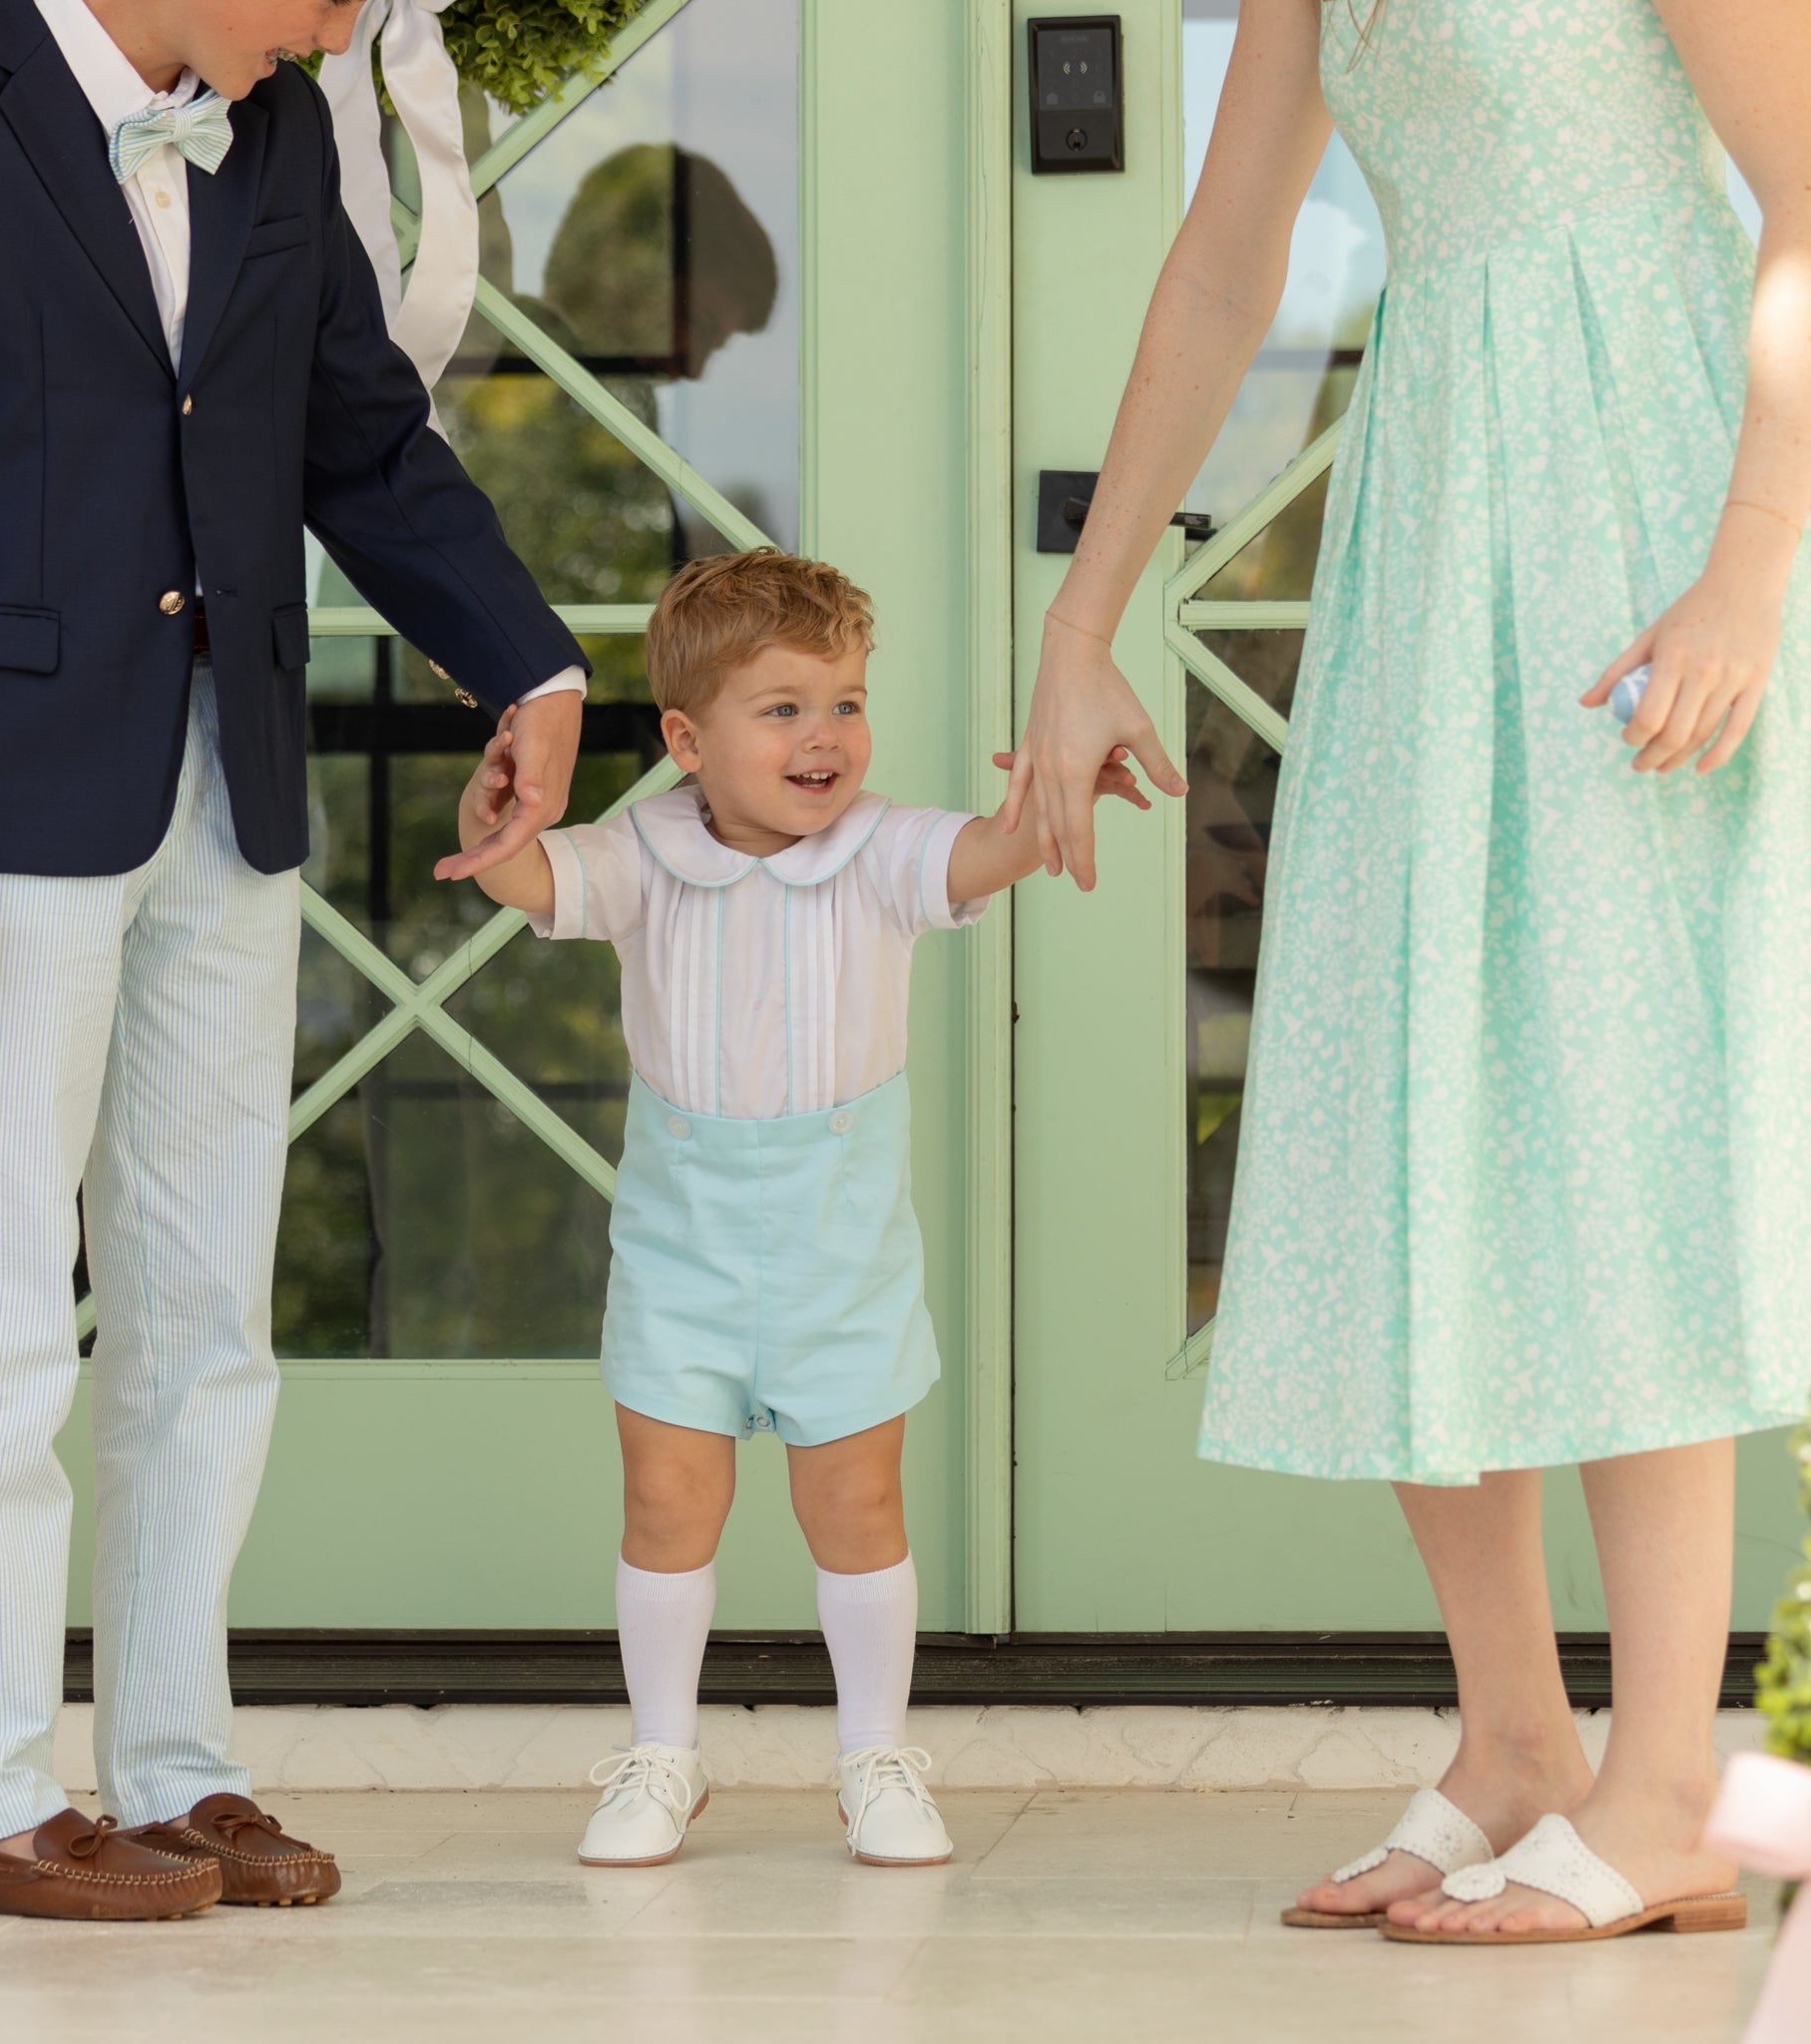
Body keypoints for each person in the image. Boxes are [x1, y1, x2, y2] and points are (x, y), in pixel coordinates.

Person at [0, 0, 587, 1920]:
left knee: (206, 1312)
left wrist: (528, 659)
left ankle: (171, 1768)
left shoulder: (279, 131)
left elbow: (357, 440)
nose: (345, 22)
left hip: (234, 799)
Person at [1004, 0, 1809, 1945]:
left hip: (1653, 508)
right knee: (1412, 1086)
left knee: (1609, 1103)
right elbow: (1220, 259)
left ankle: (1671, 1780)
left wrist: (1745, 564)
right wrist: (1083, 616)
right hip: (1435, 512)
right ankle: (1515, 1740)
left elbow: (1808, 204)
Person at [448, 548, 1142, 1869]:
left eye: (845, 701)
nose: (826, 736)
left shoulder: (881, 850)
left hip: (841, 1250)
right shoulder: (647, 851)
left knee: (857, 1509)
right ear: (686, 739)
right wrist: (498, 826)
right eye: (783, 709)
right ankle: (662, 1755)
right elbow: (535, 885)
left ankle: (875, 1755)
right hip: (683, 1252)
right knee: (666, 1503)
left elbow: (991, 852)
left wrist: (1053, 797)